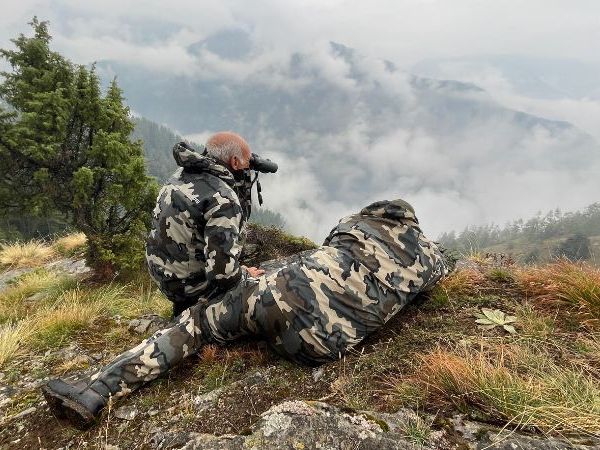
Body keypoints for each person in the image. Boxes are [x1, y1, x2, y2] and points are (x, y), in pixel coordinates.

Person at [42, 199, 450, 429]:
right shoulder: (431, 258)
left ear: (377, 212)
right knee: (286, 279)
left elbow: (328, 256)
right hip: (329, 344)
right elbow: (437, 272)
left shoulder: (355, 223)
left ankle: (96, 391)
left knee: (197, 323)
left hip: (281, 300)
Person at [145, 132, 264, 317]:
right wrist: (243, 274)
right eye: (247, 162)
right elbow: (222, 275)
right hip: (188, 287)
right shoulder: (223, 198)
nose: (248, 167)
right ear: (234, 162)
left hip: (162, 272)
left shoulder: (182, 173)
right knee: (263, 292)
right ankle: (202, 320)